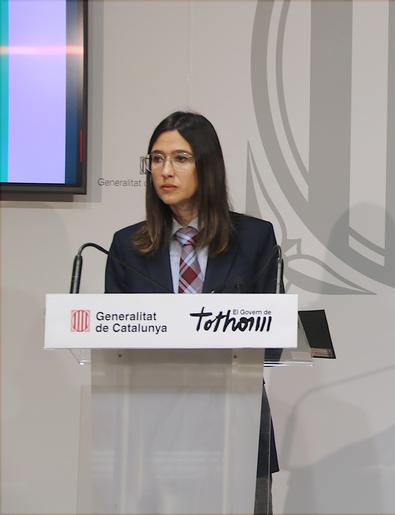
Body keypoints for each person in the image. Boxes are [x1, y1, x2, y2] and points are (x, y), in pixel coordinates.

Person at [105, 111, 279, 513]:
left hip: (234, 423)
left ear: (208, 166)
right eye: (157, 159)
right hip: (151, 430)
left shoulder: (254, 239)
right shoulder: (127, 246)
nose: (166, 170)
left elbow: (273, 340)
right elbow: (113, 346)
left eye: (180, 158)